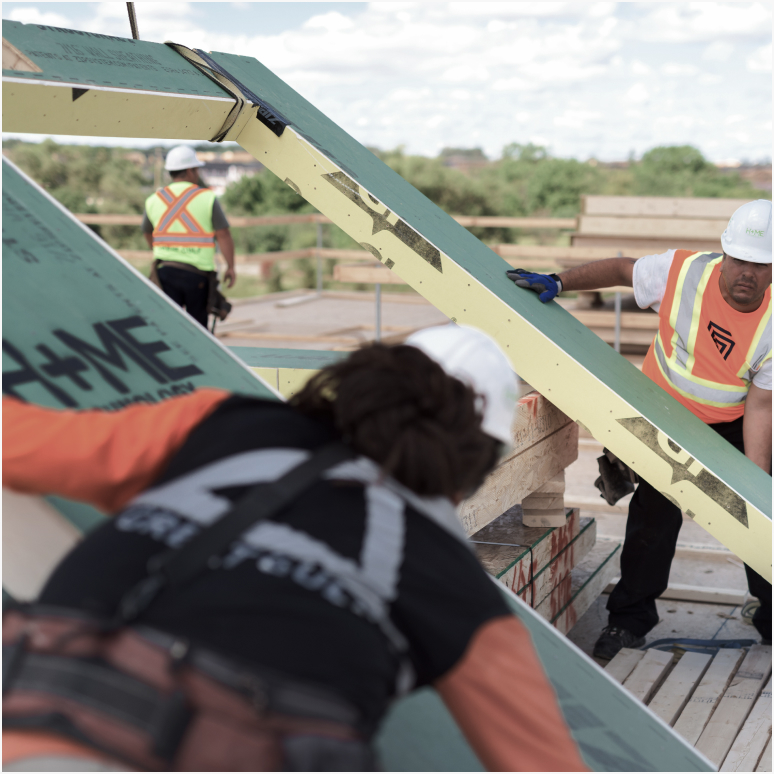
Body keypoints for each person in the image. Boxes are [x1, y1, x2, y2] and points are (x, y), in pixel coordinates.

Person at [2, 325, 588, 772]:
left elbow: (18, 444)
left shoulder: (211, 424)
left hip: (33, 728)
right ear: (478, 465)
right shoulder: (462, 598)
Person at [507, 199, 772, 660]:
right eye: (740, 260)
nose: (748, 272)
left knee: (762, 514)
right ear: (724, 254)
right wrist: (560, 281)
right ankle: (628, 622)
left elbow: (762, 406)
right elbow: (619, 269)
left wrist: (753, 486)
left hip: (731, 421)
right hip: (665, 416)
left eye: (762, 264)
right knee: (653, 516)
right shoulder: (683, 272)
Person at [143, 145, 236, 327]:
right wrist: (231, 267)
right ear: (190, 171)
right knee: (198, 330)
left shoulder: (155, 199)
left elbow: (147, 231)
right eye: (197, 169)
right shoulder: (207, 198)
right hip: (197, 275)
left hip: (165, 273)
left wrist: (161, 250)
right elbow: (223, 234)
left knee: (168, 327)